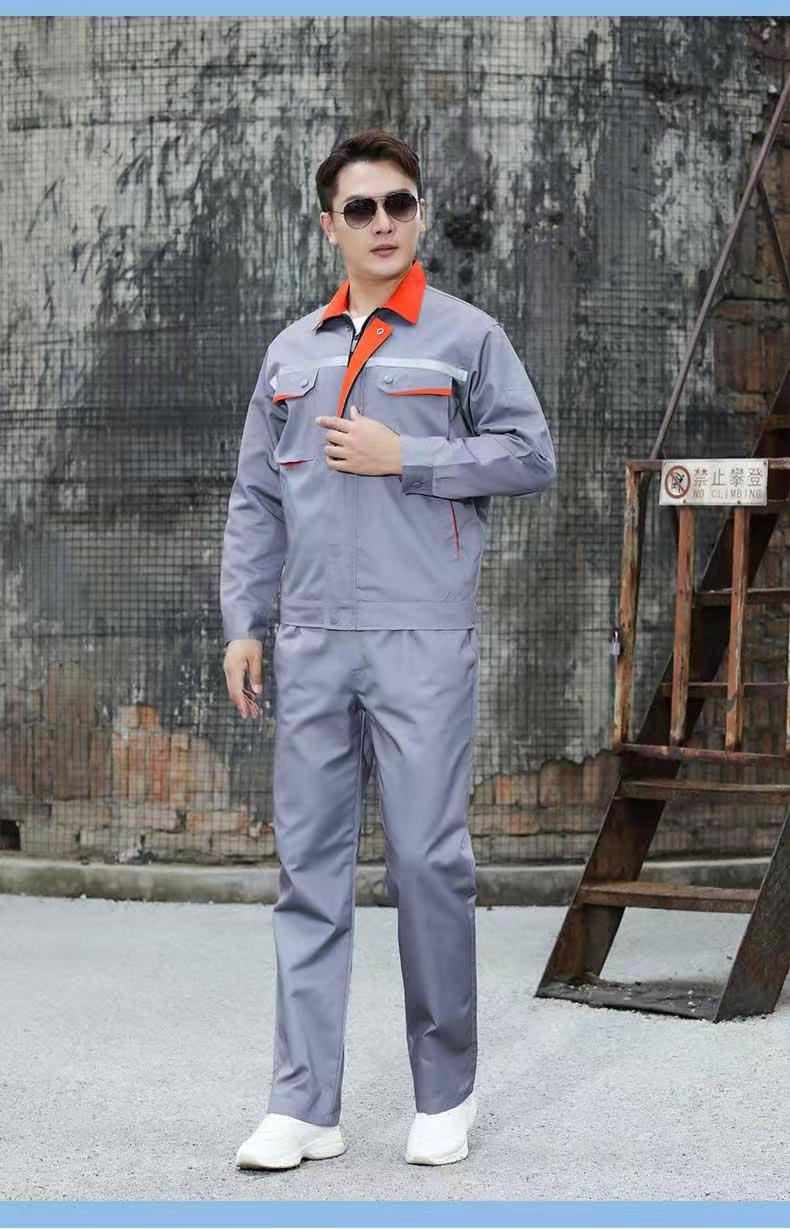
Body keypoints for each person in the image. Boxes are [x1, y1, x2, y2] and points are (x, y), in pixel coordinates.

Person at [221, 128, 557, 1170]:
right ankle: (302, 1104)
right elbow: (256, 495)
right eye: (360, 208)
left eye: (399, 204)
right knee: (308, 869)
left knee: (428, 860)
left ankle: (444, 1091)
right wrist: (244, 620)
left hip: (420, 635)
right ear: (329, 225)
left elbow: (530, 453)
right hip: (314, 636)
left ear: (419, 214)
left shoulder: (466, 337)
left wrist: (404, 453)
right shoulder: (292, 352)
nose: (382, 223)